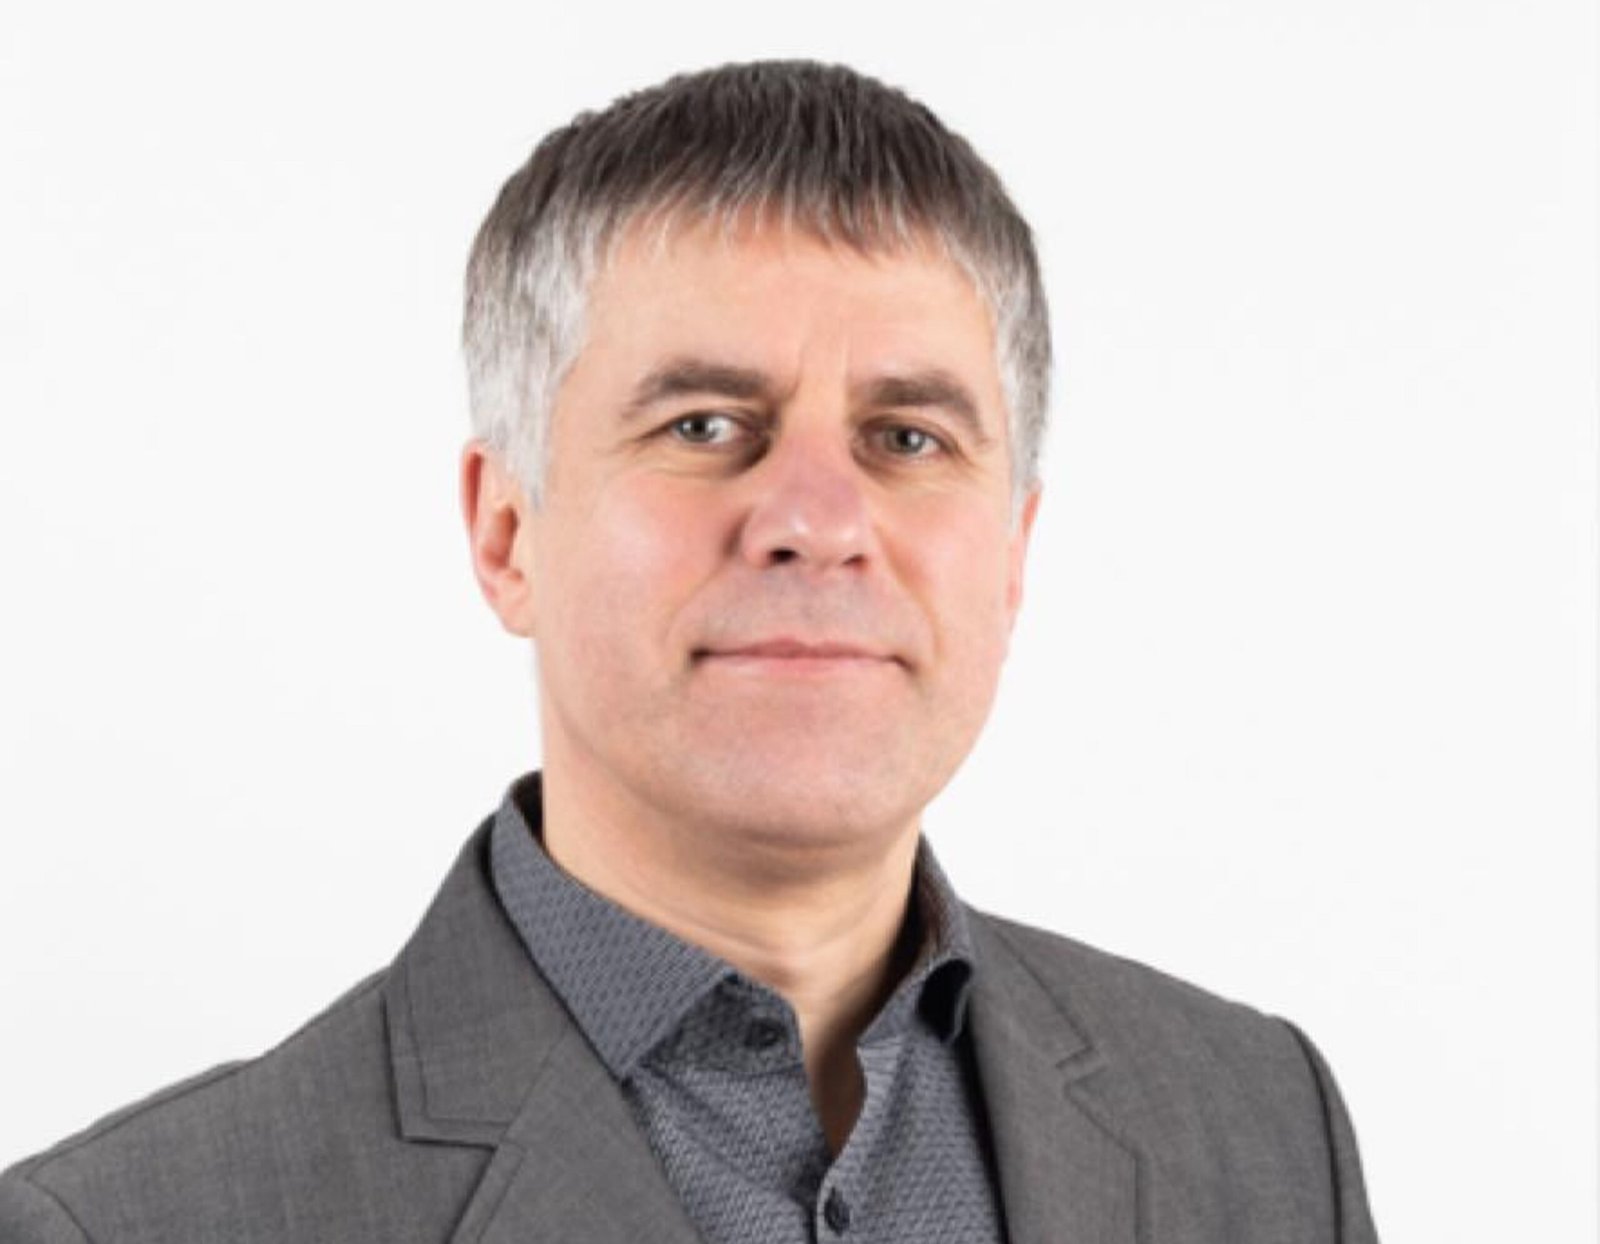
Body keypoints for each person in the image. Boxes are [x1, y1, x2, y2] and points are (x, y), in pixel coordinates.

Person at [0, 60, 1380, 1243]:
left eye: (908, 438)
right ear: (505, 532)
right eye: (706, 426)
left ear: (1013, 555)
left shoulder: (1261, 1134)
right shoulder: (124, 1226)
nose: (819, 521)